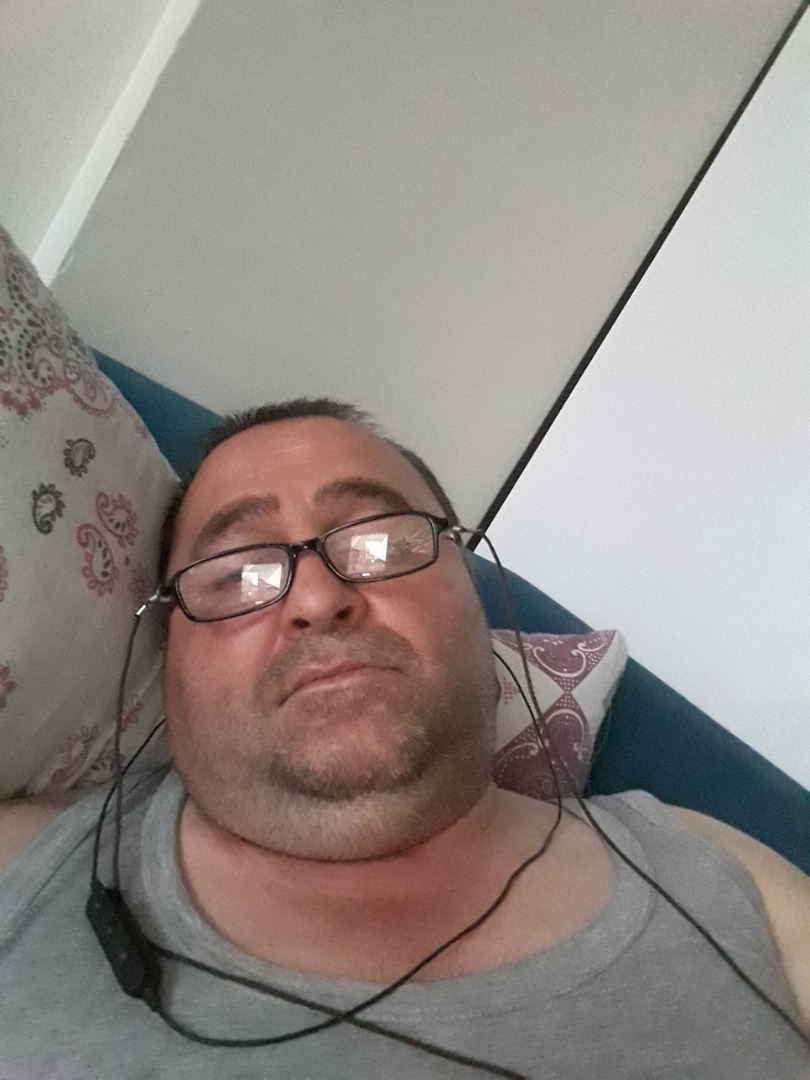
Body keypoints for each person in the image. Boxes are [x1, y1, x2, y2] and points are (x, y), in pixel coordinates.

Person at [0, 399, 808, 1080]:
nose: (317, 598)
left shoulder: (720, 872)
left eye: (379, 542)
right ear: (167, 658)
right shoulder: (25, 868)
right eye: (238, 574)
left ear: (475, 593)